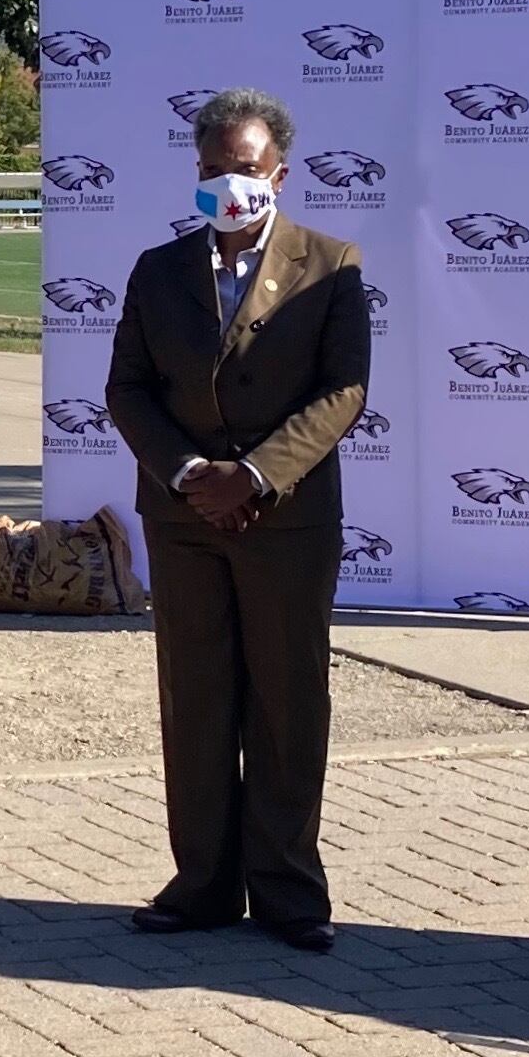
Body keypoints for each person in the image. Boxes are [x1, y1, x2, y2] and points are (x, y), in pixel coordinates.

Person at [104, 87, 371, 955]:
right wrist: (187, 473)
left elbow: (343, 391)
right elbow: (128, 389)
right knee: (198, 697)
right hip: (184, 518)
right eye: (214, 171)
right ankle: (203, 884)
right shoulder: (157, 269)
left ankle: (290, 891)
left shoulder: (331, 265)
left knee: (289, 701)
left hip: (283, 519)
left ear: (280, 174)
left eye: (246, 171)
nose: (230, 186)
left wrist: (254, 477)